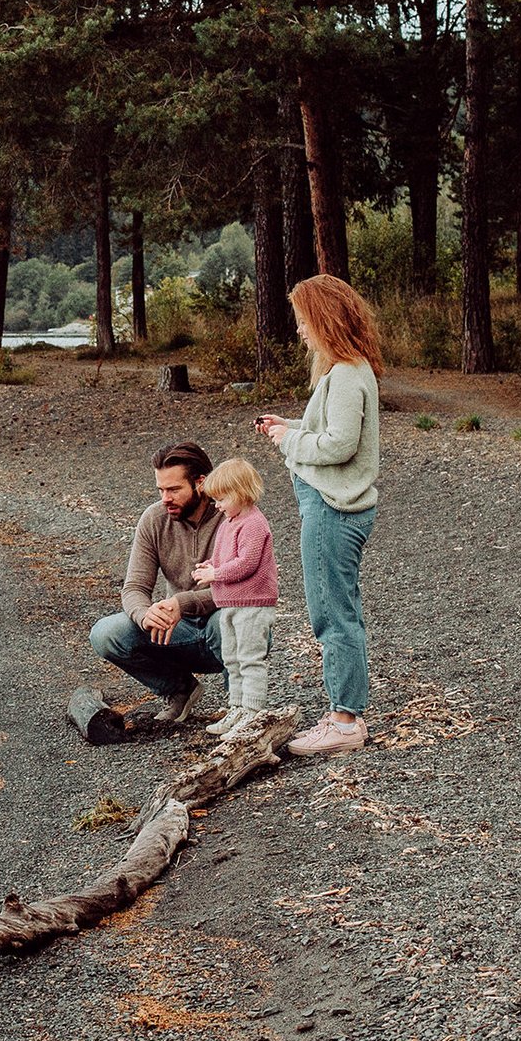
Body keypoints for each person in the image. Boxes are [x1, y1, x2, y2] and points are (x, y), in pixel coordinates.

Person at [256, 273, 383, 760]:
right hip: (328, 504)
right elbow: (327, 430)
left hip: (333, 509)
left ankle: (345, 720)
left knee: (332, 614)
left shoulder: (349, 374)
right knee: (332, 609)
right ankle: (340, 713)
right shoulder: (345, 372)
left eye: (304, 321)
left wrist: (290, 442)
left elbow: (339, 444)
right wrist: (288, 425)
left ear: (324, 321)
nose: (300, 331)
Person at [86, 441, 225, 724]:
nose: (165, 498)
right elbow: (134, 587)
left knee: (232, 621)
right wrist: (146, 614)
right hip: (178, 630)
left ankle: (241, 707)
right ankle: (179, 690)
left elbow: (245, 588)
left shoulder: (231, 514)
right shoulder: (154, 519)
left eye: (174, 490)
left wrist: (181, 603)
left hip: (222, 624)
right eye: (161, 489)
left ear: (201, 483)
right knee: (106, 633)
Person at [189, 458, 278, 737]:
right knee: (232, 658)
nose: (217, 505)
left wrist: (215, 574)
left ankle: (253, 712)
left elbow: (245, 563)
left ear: (241, 493)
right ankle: (237, 707)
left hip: (252, 604)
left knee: (250, 658)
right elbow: (223, 554)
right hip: (229, 603)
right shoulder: (230, 521)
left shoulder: (253, 524)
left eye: (222, 498)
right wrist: (210, 565)